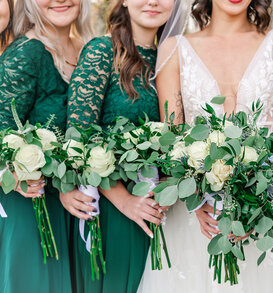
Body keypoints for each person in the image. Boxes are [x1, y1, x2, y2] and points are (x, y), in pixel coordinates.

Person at [138, 0, 273, 292]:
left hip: (265, 212)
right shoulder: (174, 49)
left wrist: (258, 206)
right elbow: (173, 139)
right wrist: (196, 199)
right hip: (197, 219)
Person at [64, 0, 174, 292]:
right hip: (110, 206)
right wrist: (126, 202)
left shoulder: (176, 55)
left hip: (162, 208)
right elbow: (79, 136)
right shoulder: (102, 51)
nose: (153, 2)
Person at [0, 0, 92, 292]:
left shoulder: (90, 49)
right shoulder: (26, 53)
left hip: (81, 208)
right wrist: (12, 173)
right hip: (32, 207)